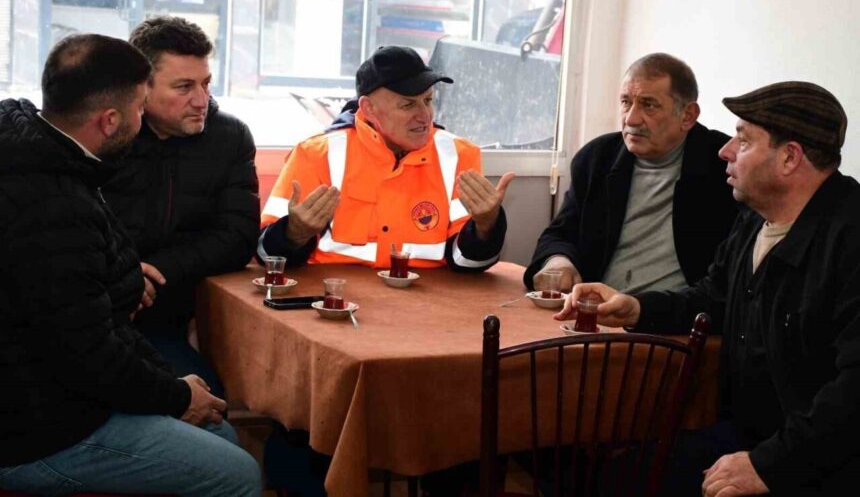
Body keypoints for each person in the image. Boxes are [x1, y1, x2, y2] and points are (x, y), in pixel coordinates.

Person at [558, 81, 859, 495]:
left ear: (790, 157)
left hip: (814, 463)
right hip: (745, 437)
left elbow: (853, 393)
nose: (725, 151)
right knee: (598, 477)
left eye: (743, 140)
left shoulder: (850, 238)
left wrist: (769, 466)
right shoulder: (754, 220)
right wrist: (635, 308)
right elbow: (711, 298)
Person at [0, 34, 260, 495]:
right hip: (38, 429)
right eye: (140, 107)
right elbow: (86, 354)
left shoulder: (53, 157)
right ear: (110, 120)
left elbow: (95, 320)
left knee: (218, 428)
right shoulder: (53, 202)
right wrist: (176, 395)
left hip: (62, 388)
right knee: (237, 474)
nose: (201, 100)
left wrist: (173, 386)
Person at [102, 16, 259, 395]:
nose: (202, 100)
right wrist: (125, 274)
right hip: (94, 313)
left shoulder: (230, 137)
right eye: (184, 87)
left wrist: (157, 270)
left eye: (206, 84)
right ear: (141, 87)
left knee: (211, 411)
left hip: (167, 319)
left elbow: (237, 237)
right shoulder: (104, 133)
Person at [259, 45, 513, 272]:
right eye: (408, 105)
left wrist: (486, 227)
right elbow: (264, 255)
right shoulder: (315, 155)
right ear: (369, 108)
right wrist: (294, 233)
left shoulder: (460, 155)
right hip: (334, 298)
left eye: (428, 100)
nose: (424, 115)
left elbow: (467, 263)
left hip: (429, 302)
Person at [525, 53, 737, 294]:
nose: (631, 119)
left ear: (687, 116)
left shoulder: (725, 164)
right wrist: (558, 261)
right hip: (595, 306)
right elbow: (560, 233)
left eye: (649, 105)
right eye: (625, 102)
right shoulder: (597, 158)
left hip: (674, 312)